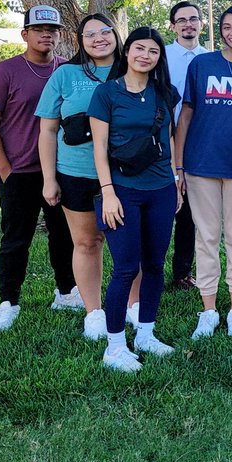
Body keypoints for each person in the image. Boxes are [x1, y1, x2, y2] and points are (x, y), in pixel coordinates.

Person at [37, 13, 141, 340]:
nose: (98, 38)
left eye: (104, 31)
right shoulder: (65, 74)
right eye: (89, 34)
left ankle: (134, 307)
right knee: (86, 242)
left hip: (127, 173)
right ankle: (93, 312)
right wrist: (49, 179)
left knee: (127, 243)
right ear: (80, 41)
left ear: (116, 34)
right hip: (76, 173)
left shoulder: (133, 69)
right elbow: (48, 130)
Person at [0, 5, 80, 332]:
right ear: (25, 34)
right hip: (18, 172)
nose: (46, 34)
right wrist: (4, 167)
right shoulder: (4, 72)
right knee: (15, 239)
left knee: (63, 236)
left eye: (52, 29)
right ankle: (8, 302)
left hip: (60, 169)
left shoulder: (67, 70)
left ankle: (66, 292)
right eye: (39, 29)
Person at [88, 27, 182, 372]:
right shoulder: (106, 93)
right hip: (122, 190)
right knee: (126, 268)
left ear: (159, 58)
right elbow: (99, 147)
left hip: (160, 189)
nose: (145, 55)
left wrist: (175, 181)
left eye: (153, 51)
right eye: (139, 48)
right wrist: (108, 191)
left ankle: (145, 334)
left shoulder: (165, 93)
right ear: (127, 52)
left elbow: (169, 140)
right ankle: (114, 347)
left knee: (155, 265)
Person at [174, 5, 232, 340]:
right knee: (207, 237)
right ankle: (209, 309)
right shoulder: (202, 64)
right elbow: (186, 115)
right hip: (201, 165)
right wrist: (179, 165)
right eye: (226, 26)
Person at [164, 0, 208, 290]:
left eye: (193, 19)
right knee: (162, 209)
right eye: (182, 20)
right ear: (172, 25)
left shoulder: (211, 58)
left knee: (190, 214)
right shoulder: (161, 56)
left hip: (197, 142)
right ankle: (149, 270)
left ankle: (182, 272)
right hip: (161, 140)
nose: (188, 24)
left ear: (202, 24)